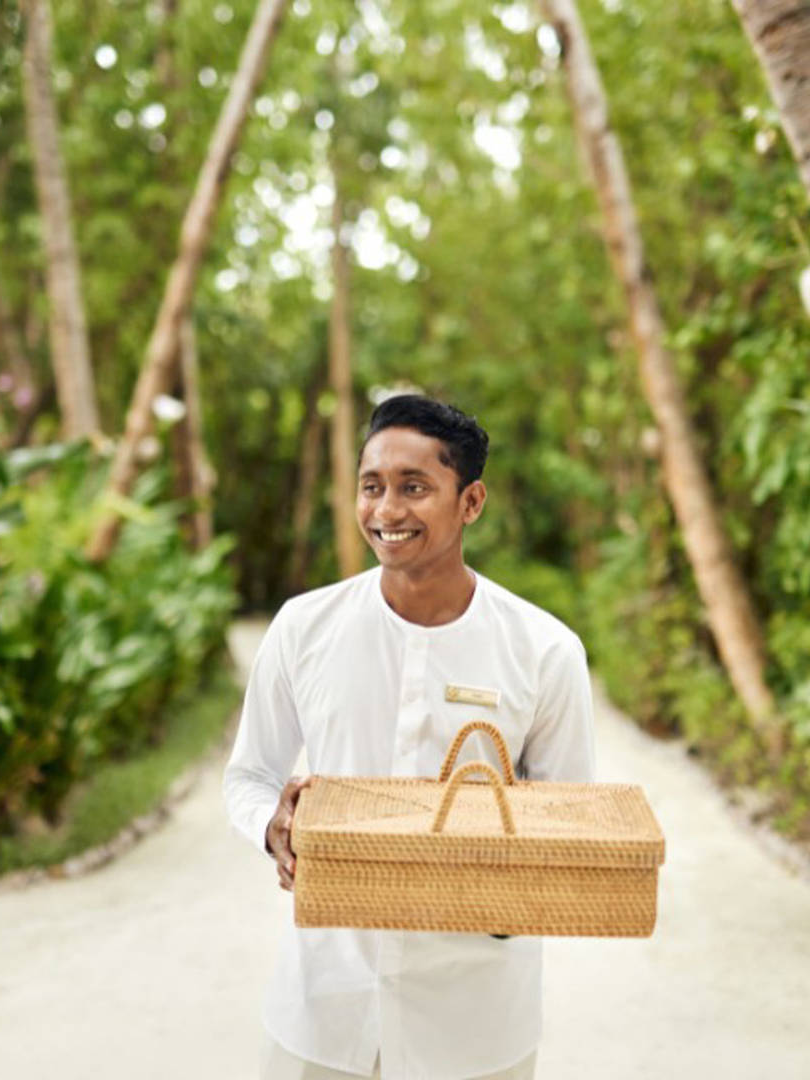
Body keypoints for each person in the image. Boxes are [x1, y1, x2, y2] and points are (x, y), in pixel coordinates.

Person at [223, 394, 597, 1080]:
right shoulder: (304, 628)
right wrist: (273, 829)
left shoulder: (545, 651)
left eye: (414, 488)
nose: (386, 511)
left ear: (471, 501)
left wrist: (502, 897)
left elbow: (566, 820)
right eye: (372, 487)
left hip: (476, 1022)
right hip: (323, 1007)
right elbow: (249, 777)